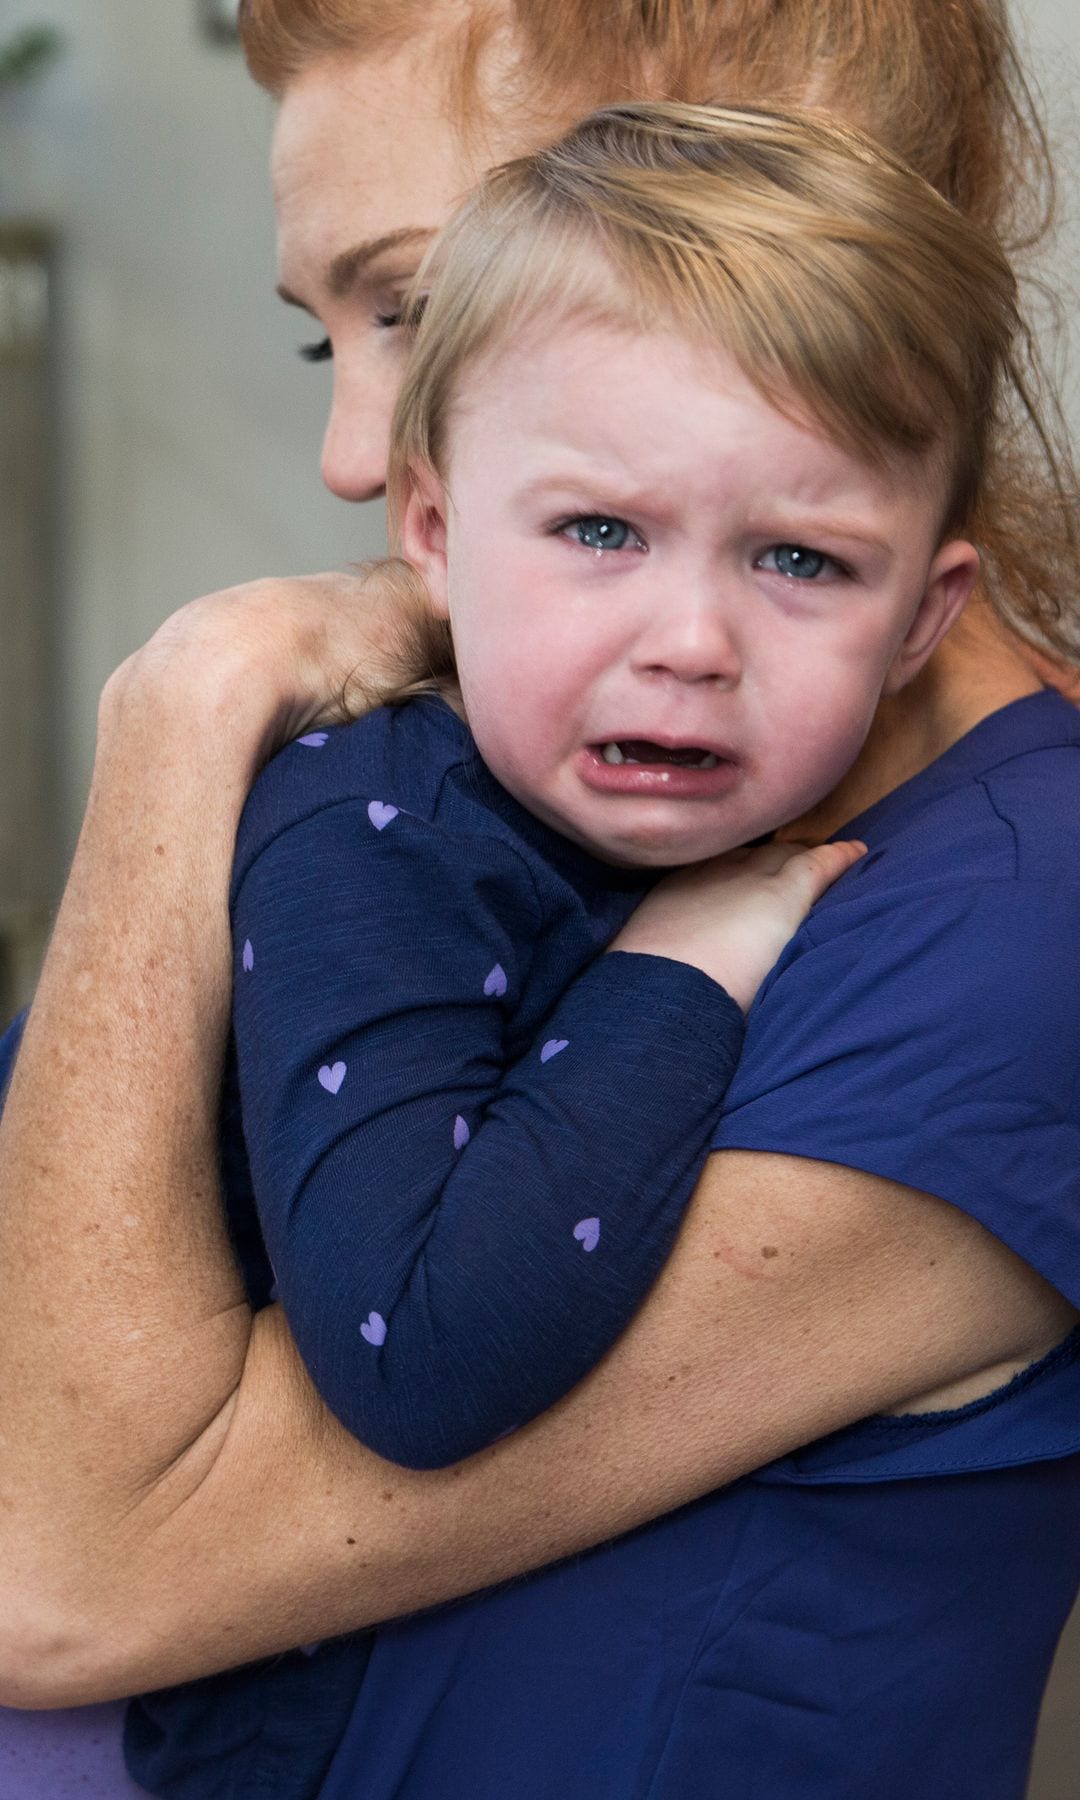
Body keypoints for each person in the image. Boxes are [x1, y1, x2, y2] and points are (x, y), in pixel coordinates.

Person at [0, 1, 1078, 1796]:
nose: (357, 454)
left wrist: (189, 707)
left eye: (412, 305)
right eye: (320, 344)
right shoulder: (473, 801)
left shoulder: (1011, 932)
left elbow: (52, 1575)